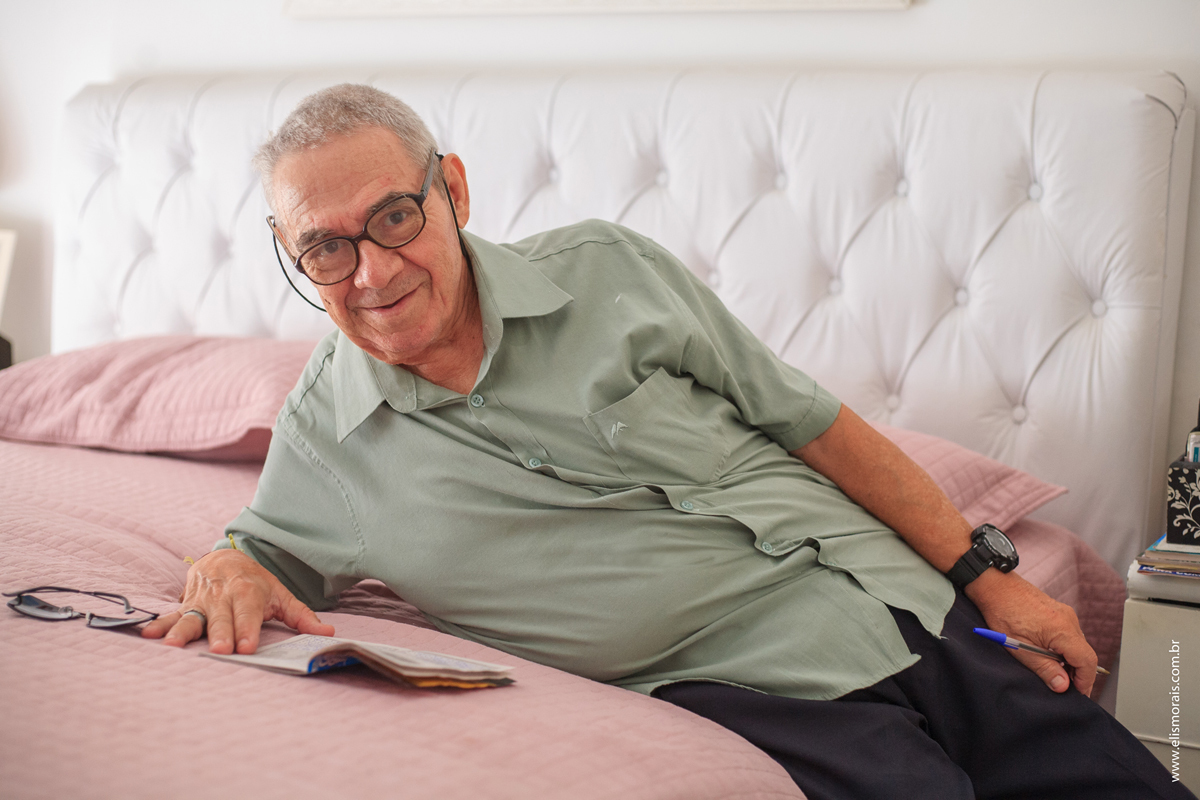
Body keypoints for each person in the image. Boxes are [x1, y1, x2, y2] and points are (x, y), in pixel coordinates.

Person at [142, 84, 1191, 800]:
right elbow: (257, 549)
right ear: (294, 258)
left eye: (395, 218)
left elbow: (808, 420)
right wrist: (227, 564)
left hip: (909, 599)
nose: (370, 271)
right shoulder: (327, 435)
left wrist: (990, 573)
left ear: (453, 192)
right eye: (325, 247)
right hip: (755, 690)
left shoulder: (608, 268)